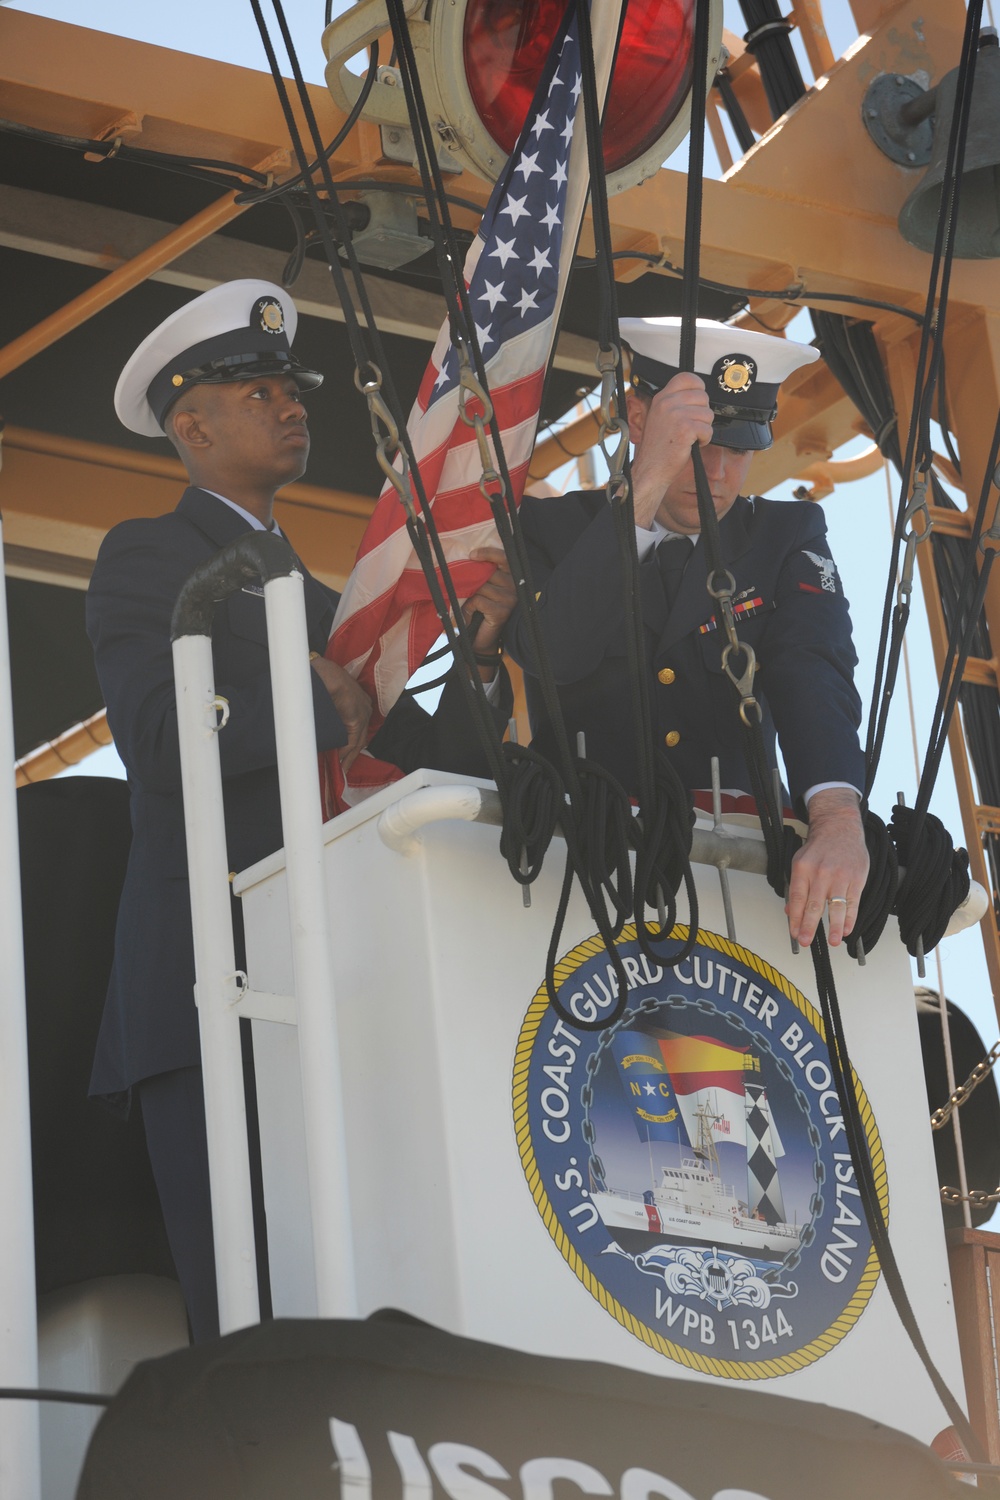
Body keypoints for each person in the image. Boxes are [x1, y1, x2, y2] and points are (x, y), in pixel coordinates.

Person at [87, 280, 516, 1341]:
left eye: (292, 389)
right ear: (192, 426)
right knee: (250, 1327)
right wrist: (308, 705)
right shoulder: (150, 556)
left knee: (352, 1316)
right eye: (260, 390)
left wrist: (485, 660)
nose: (291, 405)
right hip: (212, 987)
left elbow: (421, 774)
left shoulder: (323, 602)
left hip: (335, 989)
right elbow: (155, 738)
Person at [504, 316, 869, 952]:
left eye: (741, 448)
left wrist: (838, 820)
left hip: (745, 883)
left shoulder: (787, 539)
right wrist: (645, 484)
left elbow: (811, 669)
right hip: (585, 880)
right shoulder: (549, 531)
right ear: (636, 419)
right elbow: (551, 653)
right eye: (699, 447)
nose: (721, 474)